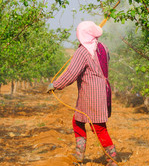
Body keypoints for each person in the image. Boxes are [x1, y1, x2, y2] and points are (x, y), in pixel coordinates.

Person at [47, 21, 117, 166]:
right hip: (103, 91)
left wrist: (55, 85)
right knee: (78, 121)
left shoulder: (82, 51)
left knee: (98, 127)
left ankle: (112, 159)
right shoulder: (103, 47)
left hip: (91, 94)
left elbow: (72, 73)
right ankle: (79, 156)